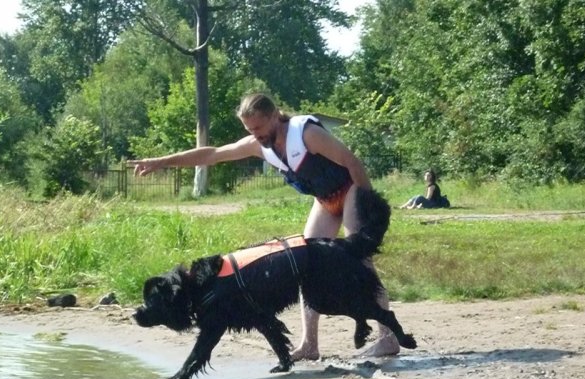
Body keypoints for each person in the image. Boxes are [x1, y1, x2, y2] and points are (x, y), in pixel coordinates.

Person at [129, 92, 400, 360]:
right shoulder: (258, 144)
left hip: (351, 189)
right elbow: (212, 154)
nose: (255, 134)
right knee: (304, 264)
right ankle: (309, 345)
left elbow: (352, 161)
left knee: (360, 262)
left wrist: (368, 202)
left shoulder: (305, 134)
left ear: (274, 115)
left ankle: (387, 338)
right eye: (249, 129)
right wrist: (161, 162)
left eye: (258, 127)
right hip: (325, 200)